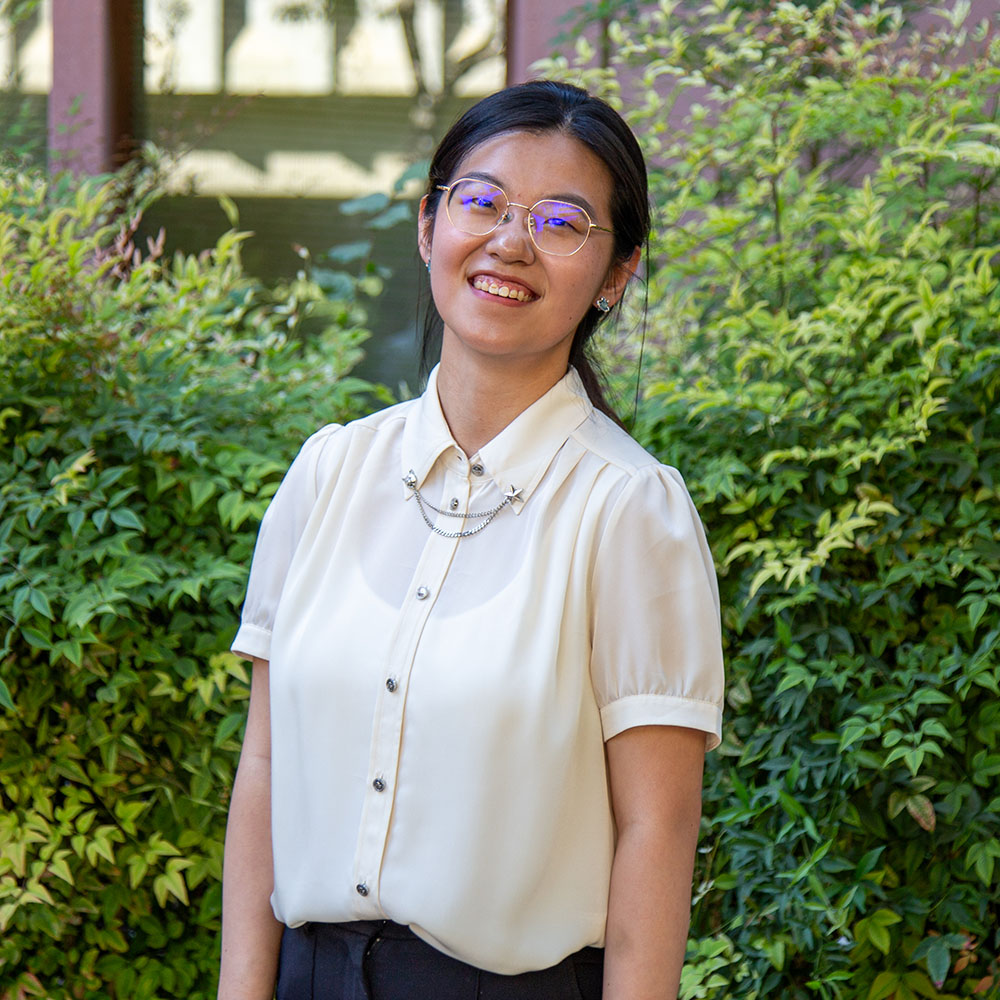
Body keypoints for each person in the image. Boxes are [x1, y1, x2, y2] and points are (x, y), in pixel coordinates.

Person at [218, 79, 725, 1000]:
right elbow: (263, 769)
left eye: (564, 221)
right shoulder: (328, 475)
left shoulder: (629, 511)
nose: (510, 242)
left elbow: (658, 829)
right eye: (482, 201)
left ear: (617, 275)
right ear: (428, 224)